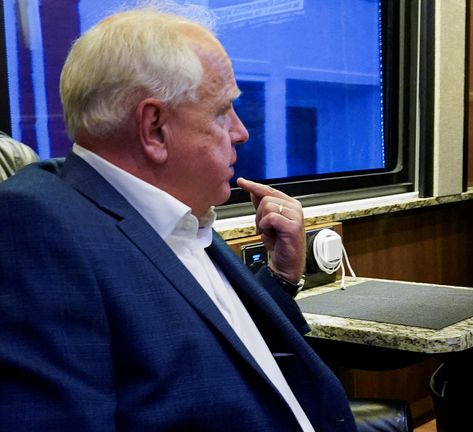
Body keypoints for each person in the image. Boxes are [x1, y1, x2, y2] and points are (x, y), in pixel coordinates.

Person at [0, 5, 357, 431]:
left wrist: (279, 278)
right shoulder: (36, 225)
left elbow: (212, 349)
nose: (241, 131)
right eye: (223, 111)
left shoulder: (179, 212)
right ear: (154, 128)